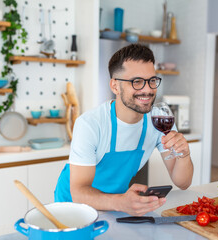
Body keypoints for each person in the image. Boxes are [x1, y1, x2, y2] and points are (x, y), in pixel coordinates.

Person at [55, 44, 193, 216]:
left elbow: (183, 182)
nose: (148, 89)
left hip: (114, 205)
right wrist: (120, 202)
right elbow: (79, 192)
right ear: (115, 86)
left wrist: (184, 155)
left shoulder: (159, 119)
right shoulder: (90, 124)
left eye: (152, 80)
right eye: (137, 82)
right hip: (73, 208)